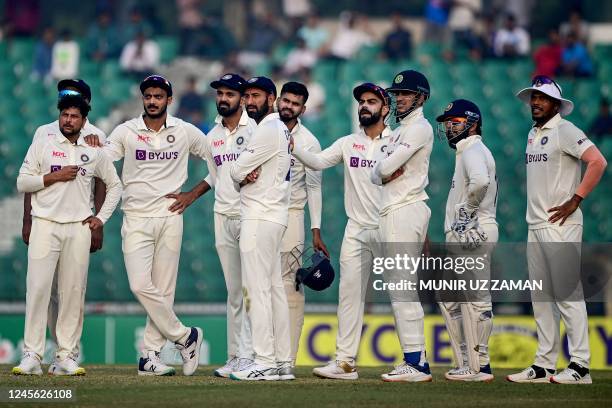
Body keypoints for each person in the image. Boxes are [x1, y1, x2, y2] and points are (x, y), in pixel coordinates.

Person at [85, 75, 206, 376]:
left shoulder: (185, 131)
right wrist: (90, 147)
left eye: (158, 96)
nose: (153, 101)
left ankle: (149, 356)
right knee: (140, 284)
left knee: (164, 290)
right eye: (148, 96)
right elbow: (102, 160)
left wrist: (192, 194)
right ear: (143, 99)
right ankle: (185, 336)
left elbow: (218, 161)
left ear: (169, 99)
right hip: (136, 217)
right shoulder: (127, 130)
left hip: (169, 215)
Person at [507, 75, 607, 384]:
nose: (535, 102)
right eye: (533, 98)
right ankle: (544, 364)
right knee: (542, 297)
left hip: (560, 225)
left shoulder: (565, 129)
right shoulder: (534, 133)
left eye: (542, 98)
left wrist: (576, 199)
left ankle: (580, 365)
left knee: (567, 294)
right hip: (535, 225)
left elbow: (598, 162)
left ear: (556, 104)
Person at [13, 94, 122, 376]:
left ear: (84, 121)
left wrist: (100, 218)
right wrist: (53, 177)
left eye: (74, 116)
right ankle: (32, 355)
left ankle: (65, 356)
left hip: (78, 227)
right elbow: (22, 181)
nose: (68, 120)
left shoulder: (94, 151)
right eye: (65, 115)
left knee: (73, 293)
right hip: (45, 224)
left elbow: (115, 186)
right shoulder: (43, 144)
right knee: (37, 290)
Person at [291, 83, 391, 380]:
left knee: (403, 295)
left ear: (385, 108)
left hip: (390, 226)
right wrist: (290, 143)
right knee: (349, 296)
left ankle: (416, 359)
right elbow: (319, 162)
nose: (364, 106)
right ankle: (345, 362)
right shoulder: (349, 142)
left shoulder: (399, 141)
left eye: (371, 101)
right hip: (357, 229)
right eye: (361, 101)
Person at [228, 76, 293, 381]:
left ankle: (264, 360)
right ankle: (281, 361)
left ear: (271, 98)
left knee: (257, 291)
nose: (249, 101)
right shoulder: (279, 127)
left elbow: (236, 170)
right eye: (247, 97)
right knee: (274, 291)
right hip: (275, 214)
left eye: (255, 96)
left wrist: (240, 170)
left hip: (259, 214)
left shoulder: (267, 128)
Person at [371, 70, 433, 382]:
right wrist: (382, 171)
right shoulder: (399, 130)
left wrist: (383, 170)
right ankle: (414, 358)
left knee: (403, 288)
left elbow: (385, 166)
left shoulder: (418, 128)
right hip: (395, 209)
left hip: (403, 209)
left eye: (406, 94)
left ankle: (417, 363)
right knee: (400, 287)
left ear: (421, 97)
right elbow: (376, 171)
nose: (399, 99)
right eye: (396, 95)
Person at [434, 99, 498, 382]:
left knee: (475, 301)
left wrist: (465, 213)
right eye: (447, 123)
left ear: (472, 124)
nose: (449, 128)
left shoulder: (472, 148)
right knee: (449, 300)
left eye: (455, 122)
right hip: (463, 231)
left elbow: (481, 182)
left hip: (473, 231)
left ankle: (479, 366)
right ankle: (466, 362)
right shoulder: (466, 151)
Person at [203, 73, 257, 378]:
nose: (223, 99)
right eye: (220, 94)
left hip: (249, 215)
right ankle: (236, 355)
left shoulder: (256, 129)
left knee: (252, 290)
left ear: (241, 97)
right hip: (222, 215)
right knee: (234, 292)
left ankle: (254, 356)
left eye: (229, 94)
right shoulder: (212, 136)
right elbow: (217, 176)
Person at [274, 81, 326, 366]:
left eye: (295, 103)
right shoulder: (266, 131)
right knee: (260, 283)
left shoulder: (309, 142)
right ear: (278, 101)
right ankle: (263, 353)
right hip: (264, 213)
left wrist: (315, 229)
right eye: (286, 100)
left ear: (303, 109)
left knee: (290, 284)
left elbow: (314, 188)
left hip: (293, 214)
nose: (288, 106)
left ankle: (288, 358)